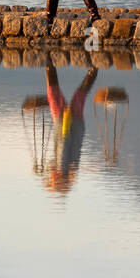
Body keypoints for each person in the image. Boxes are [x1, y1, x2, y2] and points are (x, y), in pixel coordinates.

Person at [42, 64, 96, 193]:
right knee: (53, 94)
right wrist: (65, 124)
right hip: (65, 124)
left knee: (80, 96)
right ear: (58, 179)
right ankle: (49, 64)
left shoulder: (72, 168)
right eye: (52, 180)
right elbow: (64, 144)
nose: (50, 178)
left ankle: (94, 70)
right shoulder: (62, 165)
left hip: (77, 126)